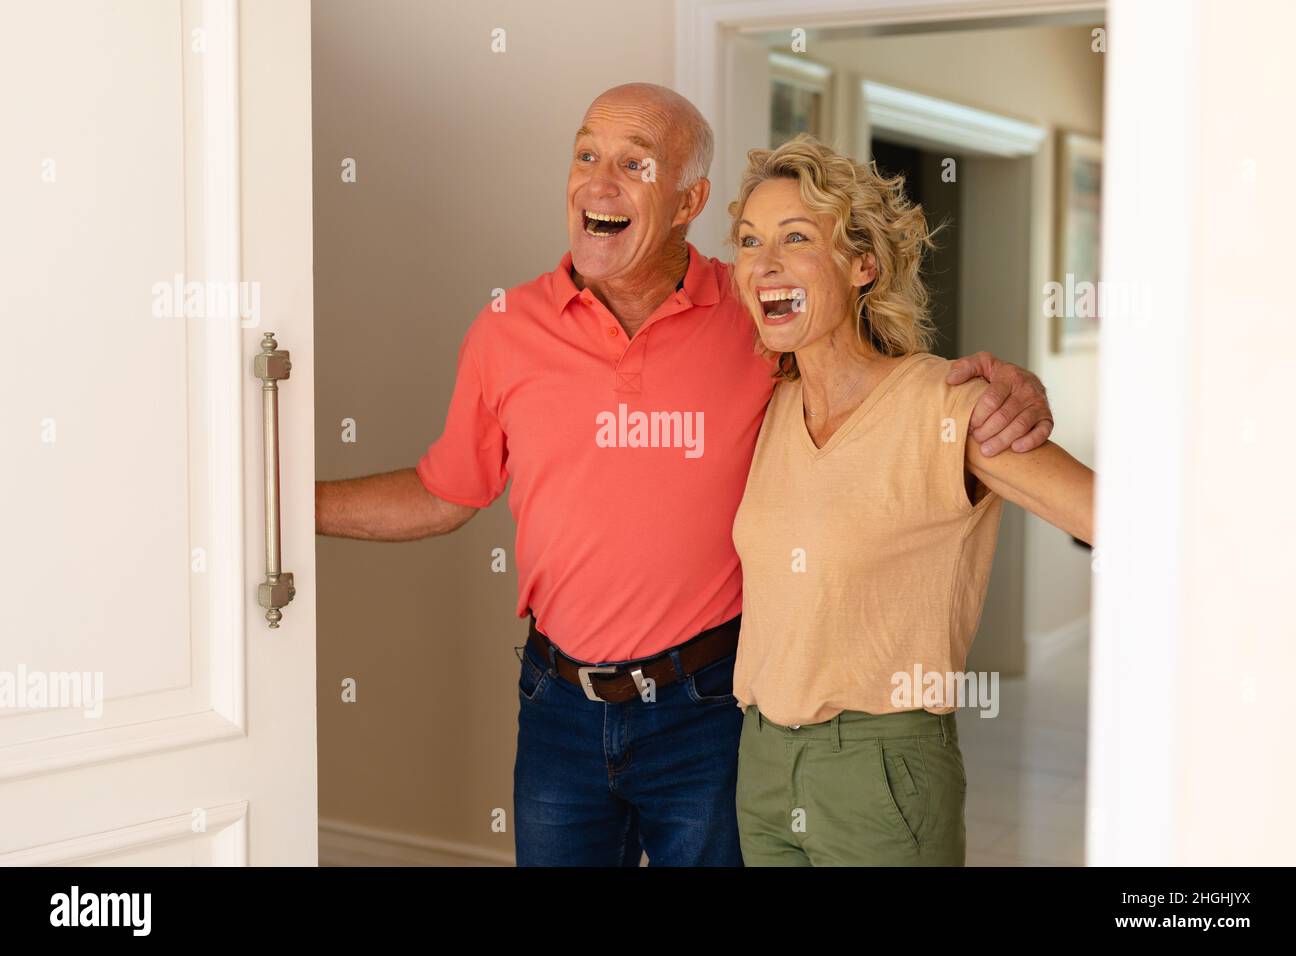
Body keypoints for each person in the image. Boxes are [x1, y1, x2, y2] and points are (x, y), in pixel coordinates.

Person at [315, 83, 1056, 866]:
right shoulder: (506, 330)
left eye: (634, 164)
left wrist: (1007, 391)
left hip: (708, 706)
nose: (600, 183)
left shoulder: (756, 310)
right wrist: (277, 507)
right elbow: (444, 492)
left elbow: (866, 385)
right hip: (558, 705)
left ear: (688, 202)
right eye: (586, 155)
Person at [726, 133, 1094, 866]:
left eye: (795, 238)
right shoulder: (770, 406)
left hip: (882, 771)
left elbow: (1111, 518)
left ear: (862, 264)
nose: (764, 263)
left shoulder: (944, 405)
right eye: (748, 240)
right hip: (762, 764)